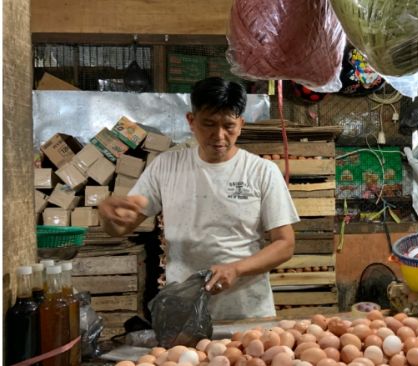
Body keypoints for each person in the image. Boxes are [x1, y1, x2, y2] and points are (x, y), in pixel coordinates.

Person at [98, 77, 300, 320]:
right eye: (209, 124)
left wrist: (236, 269)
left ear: (241, 124)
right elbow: (122, 224)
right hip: (184, 312)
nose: (219, 135)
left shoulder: (261, 171)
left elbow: (285, 244)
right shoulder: (166, 166)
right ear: (191, 121)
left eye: (229, 126)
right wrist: (109, 217)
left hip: (247, 311)